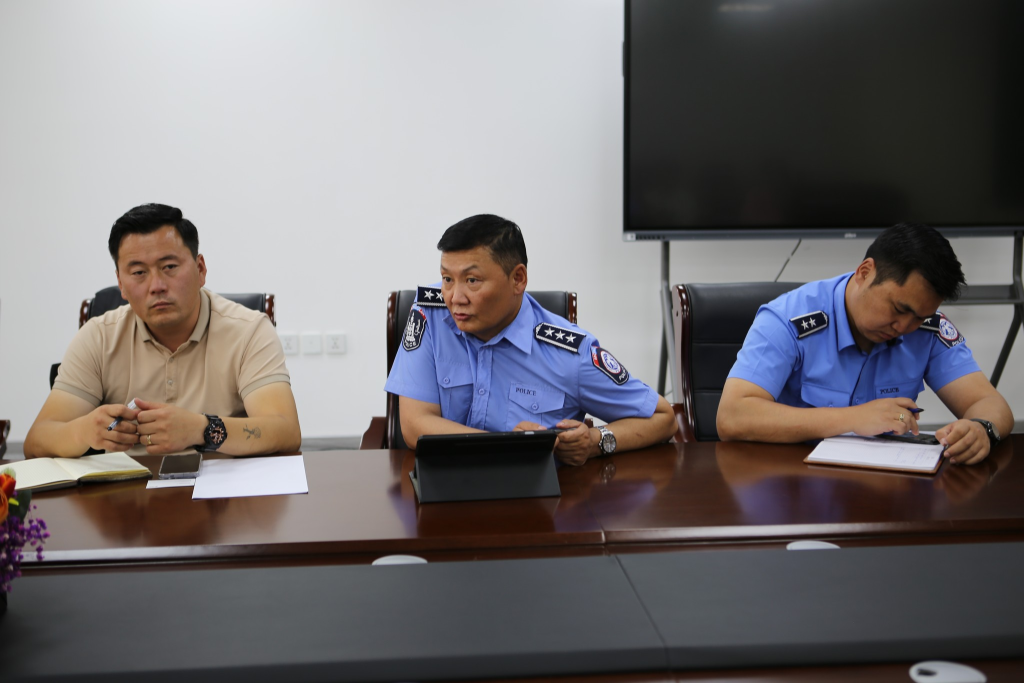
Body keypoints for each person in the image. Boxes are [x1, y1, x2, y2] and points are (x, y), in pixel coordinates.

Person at [384, 214, 677, 466]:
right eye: (447, 279)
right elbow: (414, 425)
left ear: (518, 279)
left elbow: (663, 418)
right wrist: (511, 447)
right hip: (442, 490)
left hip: (533, 502)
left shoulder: (569, 352)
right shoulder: (430, 314)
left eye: (472, 281)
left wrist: (596, 440)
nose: (454, 298)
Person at [717, 223, 1013, 465]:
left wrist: (982, 428)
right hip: (795, 484)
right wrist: (852, 418)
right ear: (864, 272)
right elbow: (732, 416)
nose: (904, 327)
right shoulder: (788, 319)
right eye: (899, 309)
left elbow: (990, 403)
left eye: (919, 317)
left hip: (886, 490)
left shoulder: (927, 327)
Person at [24, 203, 301, 458]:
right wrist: (83, 431)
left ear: (200, 269)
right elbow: (37, 441)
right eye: (138, 273)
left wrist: (202, 429)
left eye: (169, 267)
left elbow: (285, 431)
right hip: (127, 492)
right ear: (121, 283)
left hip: (225, 491)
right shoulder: (98, 336)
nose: (156, 286)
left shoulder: (249, 331)